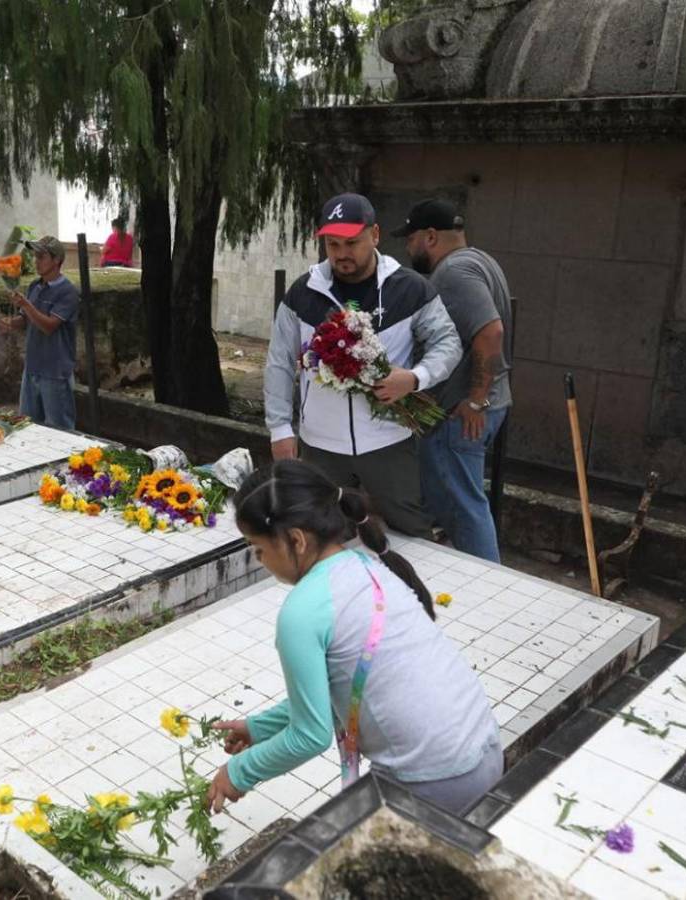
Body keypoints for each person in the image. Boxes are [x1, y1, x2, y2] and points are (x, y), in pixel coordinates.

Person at [206, 459, 502, 816]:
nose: (261, 561)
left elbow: (310, 736)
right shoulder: (367, 567)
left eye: (258, 549)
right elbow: (333, 694)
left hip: (432, 781)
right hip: (483, 753)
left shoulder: (302, 612)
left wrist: (238, 772)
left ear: (296, 541)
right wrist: (259, 727)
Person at [264, 192, 462, 537]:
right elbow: (280, 361)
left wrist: (415, 378)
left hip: (387, 440)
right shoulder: (303, 293)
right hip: (320, 444)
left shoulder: (410, 289)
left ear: (375, 235)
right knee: (322, 533)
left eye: (352, 243)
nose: (342, 254)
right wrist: (280, 428)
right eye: (333, 244)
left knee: (409, 531)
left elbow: (448, 343)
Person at [392, 199, 512, 563]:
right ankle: (460, 570)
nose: (407, 247)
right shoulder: (481, 260)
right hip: (486, 405)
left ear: (430, 237)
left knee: (465, 507)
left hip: (465, 414)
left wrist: (476, 399)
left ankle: (487, 586)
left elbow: (491, 332)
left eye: (410, 238)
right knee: (453, 502)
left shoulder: (453, 273)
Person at [3, 235, 80, 430]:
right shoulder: (34, 286)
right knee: (28, 426)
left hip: (55, 370)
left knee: (59, 429)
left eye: (41, 257)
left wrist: (26, 305)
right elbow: (27, 320)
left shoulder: (67, 292)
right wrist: (12, 322)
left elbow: (49, 326)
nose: (36, 262)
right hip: (33, 366)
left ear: (56, 260)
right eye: (35, 257)